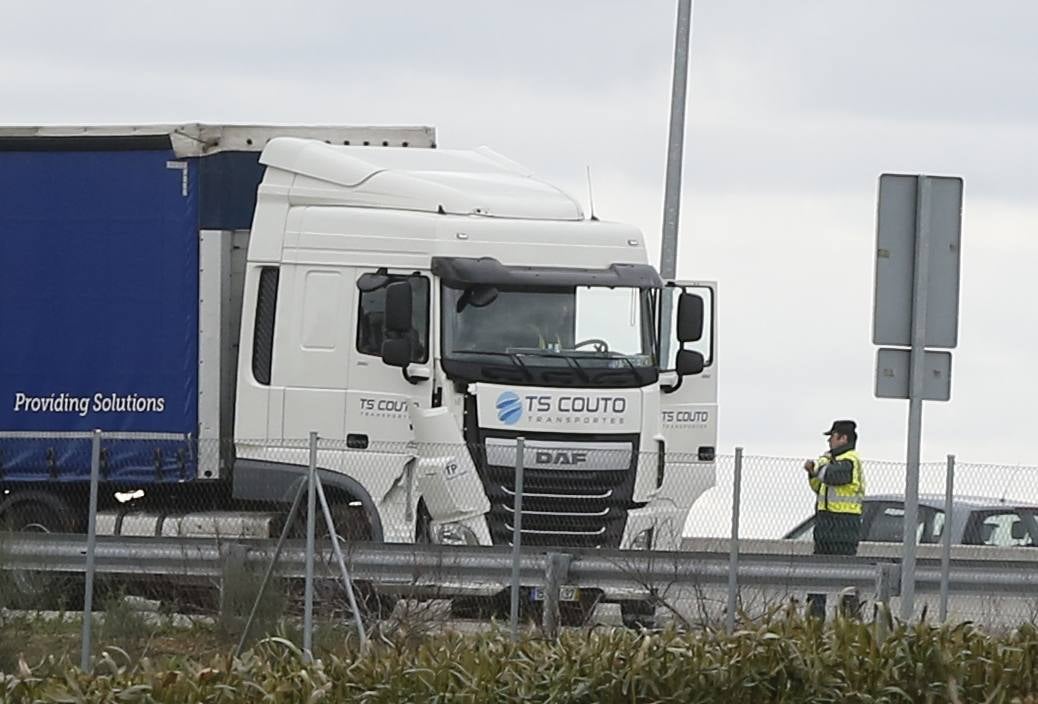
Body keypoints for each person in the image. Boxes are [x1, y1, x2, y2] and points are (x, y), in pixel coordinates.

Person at [803, 419, 864, 619]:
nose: (829, 441)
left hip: (844, 525)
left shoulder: (850, 460)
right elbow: (819, 486)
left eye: (833, 437)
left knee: (845, 578)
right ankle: (815, 620)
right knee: (818, 576)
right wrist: (812, 474)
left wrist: (818, 467)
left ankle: (850, 622)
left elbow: (832, 477)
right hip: (825, 522)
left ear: (843, 438)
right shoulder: (832, 460)